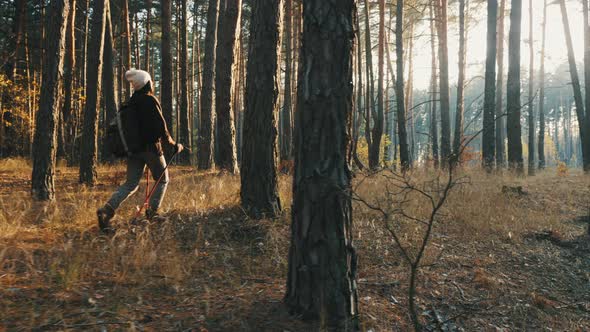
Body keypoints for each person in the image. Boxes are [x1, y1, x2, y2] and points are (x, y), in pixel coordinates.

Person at [97, 69, 183, 232]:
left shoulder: (130, 102)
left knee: (130, 184)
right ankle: (152, 213)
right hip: (151, 149)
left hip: (134, 151)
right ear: (147, 83)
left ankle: (106, 211)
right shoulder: (150, 100)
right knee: (163, 179)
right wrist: (173, 144)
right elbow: (161, 127)